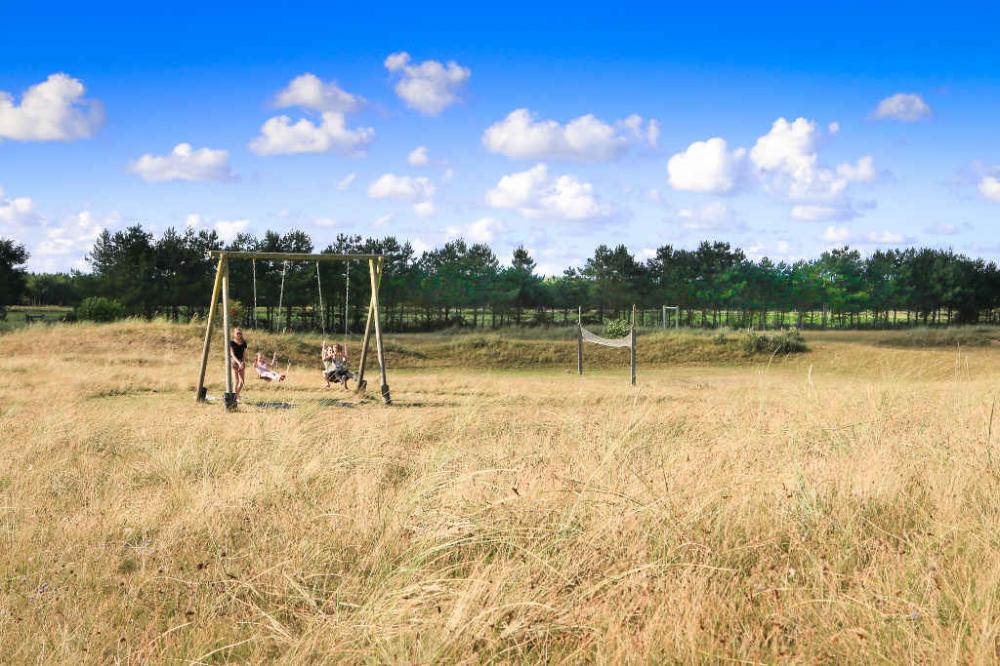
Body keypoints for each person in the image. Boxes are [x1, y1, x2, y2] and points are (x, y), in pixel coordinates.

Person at [229, 327, 248, 398]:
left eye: (240, 333)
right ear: (234, 334)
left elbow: (244, 354)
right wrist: (238, 362)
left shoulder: (244, 343)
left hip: (241, 362)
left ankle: (236, 395)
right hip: (234, 363)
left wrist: (242, 362)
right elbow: (232, 354)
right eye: (237, 333)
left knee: (242, 382)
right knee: (236, 381)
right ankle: (235, 397)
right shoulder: (232, 343)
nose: (239, 334)